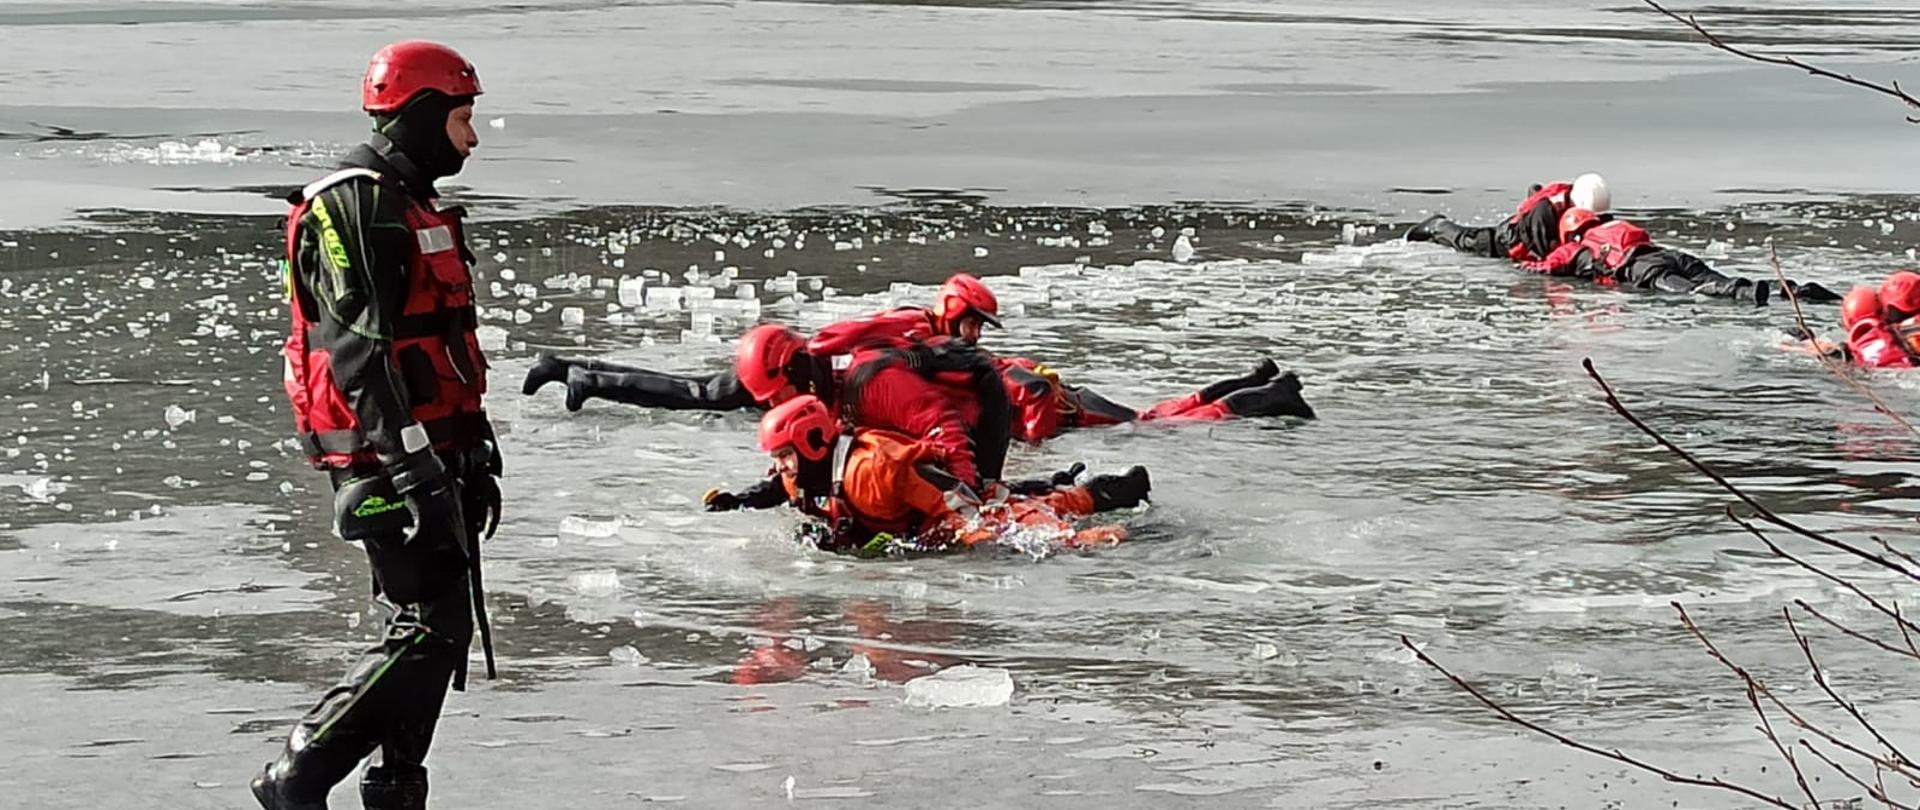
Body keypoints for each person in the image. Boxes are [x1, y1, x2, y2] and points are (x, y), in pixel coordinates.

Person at [252, 41, 503, 810]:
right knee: (428, 631)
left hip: (435, 447)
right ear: (424, 115)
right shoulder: (354, 204)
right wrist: (417, 466)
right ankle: (300, 770)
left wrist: (476, 448)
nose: (473, 137)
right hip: (384, 459)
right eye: (463, 118)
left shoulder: (414, 201)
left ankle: (395, 788)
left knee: (439, 631)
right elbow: (358, 354)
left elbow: (443, 345)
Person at [723, 395, 1151, 555]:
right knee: (1049, 501)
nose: (779, 466)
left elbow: (961, 504)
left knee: (1053, 519)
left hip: (951, 509)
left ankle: (1131, 506)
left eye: (784, 455)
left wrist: (981, 539)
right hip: (915, 525)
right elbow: (778, 487)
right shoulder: (802, 472)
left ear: (812, 443)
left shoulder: (878, 467)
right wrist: (738, 500)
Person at [521, 272, 999, 412]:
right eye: (974, 321)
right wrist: (804, 367)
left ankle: (568, 366)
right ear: (955, 308)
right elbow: (839, 337)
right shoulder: (909, 323)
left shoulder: (935, 340)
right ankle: (584, 377)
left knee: (696, 388)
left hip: (799, 377)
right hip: (790, 372)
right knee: (698, 395)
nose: (975, 333)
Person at [1520, 208, 1840, 305]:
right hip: (1670, 254)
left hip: (1644, 269)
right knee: (1718, 279)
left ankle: (1746, 293)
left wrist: (1524, 267)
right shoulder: (1616, 225)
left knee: (1694, 294)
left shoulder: (1577, 245)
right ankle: (1790, 289)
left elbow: (1550, 266)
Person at [1405, 173, 1610, 261]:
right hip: (1510, 240)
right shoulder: (1544, 214)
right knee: (1468, 241)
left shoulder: (1587, 203)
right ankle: (1437, 226)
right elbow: (1545, 255)